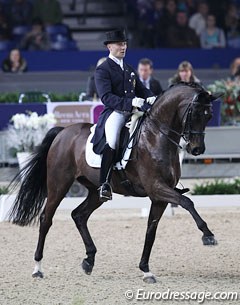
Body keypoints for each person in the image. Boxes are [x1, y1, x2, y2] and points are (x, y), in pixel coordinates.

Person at [92, 28, 156, 202]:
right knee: (112, 140)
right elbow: (106, 97)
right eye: (120, 44)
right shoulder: (103, 69)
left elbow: (141, 89)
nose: (123, 47)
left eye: (125, 43)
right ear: (110, 47)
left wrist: (150, 96)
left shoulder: (128, 68)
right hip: (115, 112)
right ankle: (104, 184)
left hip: (133, 112)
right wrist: (130, 103)